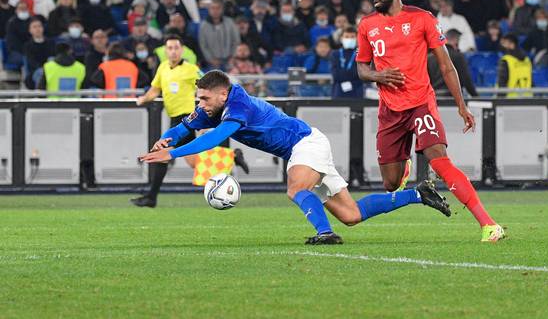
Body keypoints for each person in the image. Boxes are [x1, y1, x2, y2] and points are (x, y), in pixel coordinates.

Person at [139, 70, 451, 244]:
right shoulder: (214, 107)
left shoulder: (238, 107)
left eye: (205, 98)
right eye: (199, 98)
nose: (201, 104)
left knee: (295, 189)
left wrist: (174, 154)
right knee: (351, 215)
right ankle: (418, 194)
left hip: (306, 144)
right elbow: (186, 125)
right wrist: (168, 138)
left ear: (223, 94)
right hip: (305, 147)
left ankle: (324, 233)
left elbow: (217, 138)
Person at [356, 0, 505, 242]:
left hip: (420, 102)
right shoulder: (367, 25)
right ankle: (406, 168)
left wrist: (462, 105)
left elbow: (447, 66)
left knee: (439, 160)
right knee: (390, 182)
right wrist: (379, 75)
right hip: (389, 110)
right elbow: (362, 69)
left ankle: (488, 225)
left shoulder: (422, 18)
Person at [131, 36, 202, 207]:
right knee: (194, 162)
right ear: (165, 50)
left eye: (176, 48)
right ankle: (232, 157)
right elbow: (155, 89)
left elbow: (207, 86)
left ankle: (151, 197)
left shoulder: (192, 69)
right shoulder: (163, 67)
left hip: (186, 119)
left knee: (162, 155)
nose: (173, 51)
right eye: (169, 48)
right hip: (175, 118)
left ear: (182, 50)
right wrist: (144, 98)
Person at [427, 29, 478, 98]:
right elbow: (466, 79)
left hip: (435, 98)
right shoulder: (458, 56)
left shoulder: (429, 57)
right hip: (453, 99)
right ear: (455, 40)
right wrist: (476, 97)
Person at [331, 27, 363, 98]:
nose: (349, 39)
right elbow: (335, 75)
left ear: (357, 39)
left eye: (352, 37)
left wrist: (343, 73)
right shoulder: (335, 54)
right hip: (338, 92)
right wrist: (351, 74)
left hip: (356, 92)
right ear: (342, 38)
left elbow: (360, 74)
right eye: (347, 37)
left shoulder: (361, 53)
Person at [497, 33, 532, 98]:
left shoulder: (506, 60)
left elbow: (502, 82)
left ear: (511, 44)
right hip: (527, 99)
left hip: (510, 100)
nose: (502, 45)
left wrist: (499, 99)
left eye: (504, 43)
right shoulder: (527, 60)